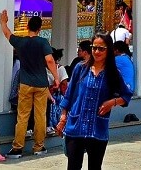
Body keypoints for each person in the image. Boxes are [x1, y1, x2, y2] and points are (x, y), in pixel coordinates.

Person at [57, 31, 132, 170]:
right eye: (94, 48)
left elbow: (126, 95)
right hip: (76, 126)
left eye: (101, 49)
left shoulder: (113, 73)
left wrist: (112, 103)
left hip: (97, 127)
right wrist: (63, 118)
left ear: (108, 50)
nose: (97, 51)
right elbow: (69, 94)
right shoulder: (81, 68)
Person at [0, 9, 59, 157]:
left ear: (27, 27)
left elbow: (7, 34)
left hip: (25, 83)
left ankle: (17, 147)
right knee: (40, 116)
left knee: (23, 116)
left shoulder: (21, 42)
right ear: (40, 28)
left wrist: (3, 22)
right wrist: (56, 77)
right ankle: (38, 147)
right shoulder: (43, 42)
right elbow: (50, 60)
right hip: (41, 83)